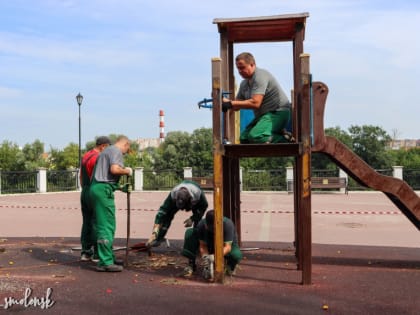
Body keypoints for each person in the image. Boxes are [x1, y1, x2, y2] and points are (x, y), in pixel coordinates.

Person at [222, 52, 294, 144]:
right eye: (238, 69)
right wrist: (223, 101)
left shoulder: (260, 76)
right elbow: (236, 105)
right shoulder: (244, 84)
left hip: (278, 113)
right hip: (263, 116)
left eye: (242, 67)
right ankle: (277, 133)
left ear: (252, 65)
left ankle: (286, 140)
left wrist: (230, 103)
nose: (240, 71)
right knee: (244, 138)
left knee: (256, 136)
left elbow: (256, 103)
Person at [89, 135, 132, 272]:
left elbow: (105, 175)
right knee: (106, 225)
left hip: (99, 189)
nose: (125, 153)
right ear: (125, 144)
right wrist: (127, 170)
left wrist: (120, 188)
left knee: (107, 224)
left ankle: (108, 256)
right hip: (102, 191)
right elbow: (114, 170)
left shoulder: (107, 151)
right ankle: (105, 262)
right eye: (127, 149)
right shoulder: (116, 151)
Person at [182, 210, 243, 281]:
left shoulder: (227, 224)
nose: (213, 230)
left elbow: (227, 247)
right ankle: (191, 264)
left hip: (224, 245)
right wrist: (206, 258)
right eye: (210, 228)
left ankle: (230, 266)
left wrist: (216, 257)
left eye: (214, 228)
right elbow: (203, 245)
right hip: (209, 244)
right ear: (206, 224)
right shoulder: (201, 224)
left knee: (236, 255)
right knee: (190, 232)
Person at [146, 180, 208, 248]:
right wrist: (155, 232)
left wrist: (193, 218)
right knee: (167, 216)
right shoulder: (173, 195)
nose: (182, 210)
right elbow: (162, 212)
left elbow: (204, 206)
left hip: (194, 198)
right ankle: (158, 239)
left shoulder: (197, 194)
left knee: (198, 222)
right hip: (180, 199)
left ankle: (198, 243)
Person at [79, 136, 111, 262]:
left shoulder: (86, 155)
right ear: (103, 146)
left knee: (87, 222)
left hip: (85, 191)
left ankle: (86, 252)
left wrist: (85, 190)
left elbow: (81, 176)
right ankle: (98, 253)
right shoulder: (99, 157)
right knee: (98, 222)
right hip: (94, 191)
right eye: (107, 148)